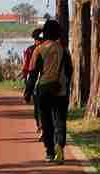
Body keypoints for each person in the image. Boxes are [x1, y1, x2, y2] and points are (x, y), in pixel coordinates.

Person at [27, 17, 74, 162]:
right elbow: (69, 70)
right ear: (58, 33)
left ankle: (49, 152)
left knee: (46, 121)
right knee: (60, 120)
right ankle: (59, 146)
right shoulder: (64, 50)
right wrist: (65, 84)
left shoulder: (38, 50)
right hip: (60, 90)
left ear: (45, 33)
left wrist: (27, 92)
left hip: (44, 90)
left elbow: (33, 73)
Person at [20, 25, 47, 142]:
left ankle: (42, 128)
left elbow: (26, 68)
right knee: (39, 109)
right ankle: (42, 127)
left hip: (38, 83)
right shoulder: (31, 50)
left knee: (39, 109)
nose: (39, 42)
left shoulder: (32, 50)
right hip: (41, 82)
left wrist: (27, 89)